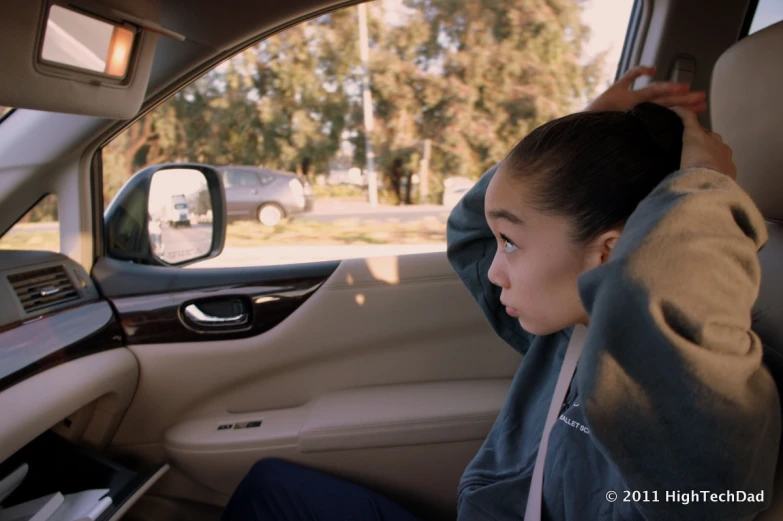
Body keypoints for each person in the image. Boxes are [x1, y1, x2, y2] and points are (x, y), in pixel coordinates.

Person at [220, 67, 781, 521]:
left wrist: (709, 188)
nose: (492, 271)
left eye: (511, 243)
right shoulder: (564, 338)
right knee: (270, 489)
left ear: (609, 253)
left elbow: (658, 306)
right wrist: (584, 125)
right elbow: (469, 233)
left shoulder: (703, 398)